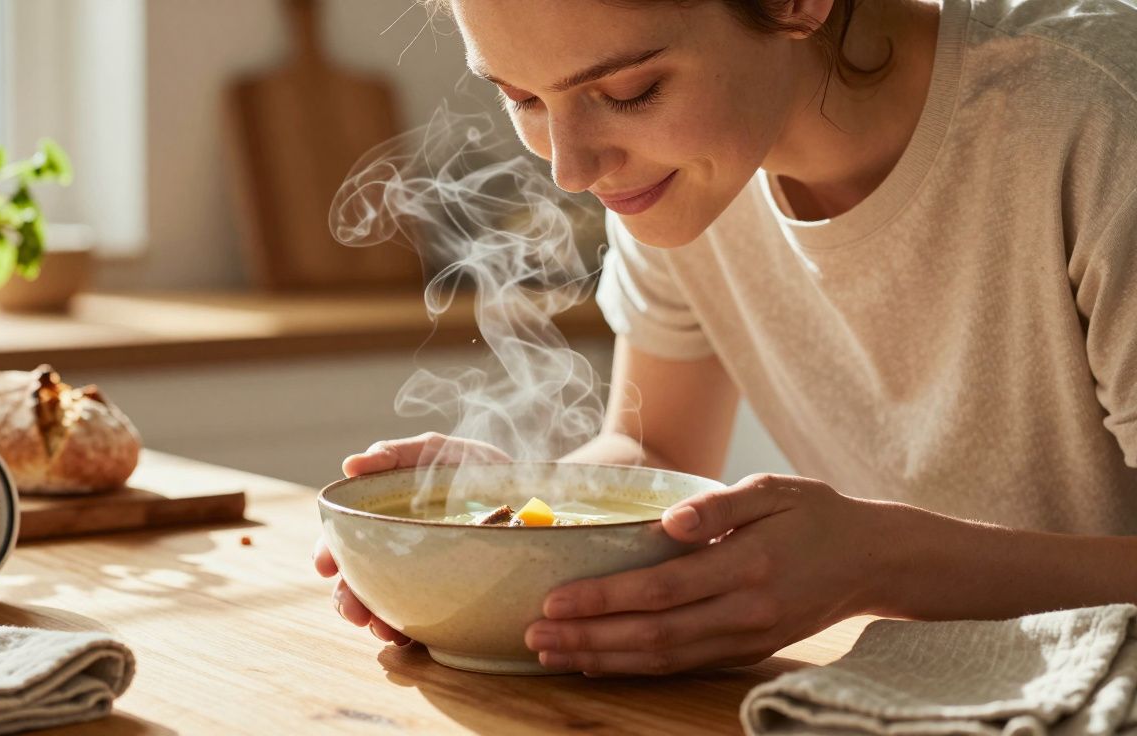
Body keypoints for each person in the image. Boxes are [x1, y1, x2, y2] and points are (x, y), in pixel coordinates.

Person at [315, 0, 1137, 675]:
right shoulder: (679, 172)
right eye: (523, 98)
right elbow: (655, 453)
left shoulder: (1099, 114)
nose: (571, 168)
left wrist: (880, 563)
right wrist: (510, 527)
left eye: (630, 90)